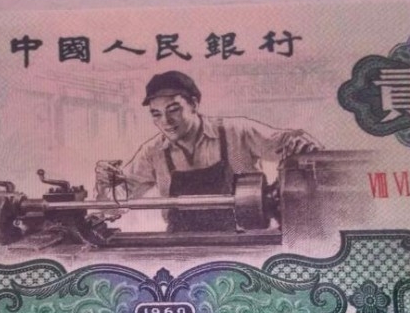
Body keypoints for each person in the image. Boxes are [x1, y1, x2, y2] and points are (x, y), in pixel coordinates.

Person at [95, 70, 322, 232]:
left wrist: (302, 145)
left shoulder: (236, 131)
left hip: (245, 242)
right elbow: (117, 202)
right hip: (181, 245)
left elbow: (289, 143)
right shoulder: (153, 152)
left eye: (174, 110)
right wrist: (107, 184)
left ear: (194, 104)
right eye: (157, 114)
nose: (166, 122)